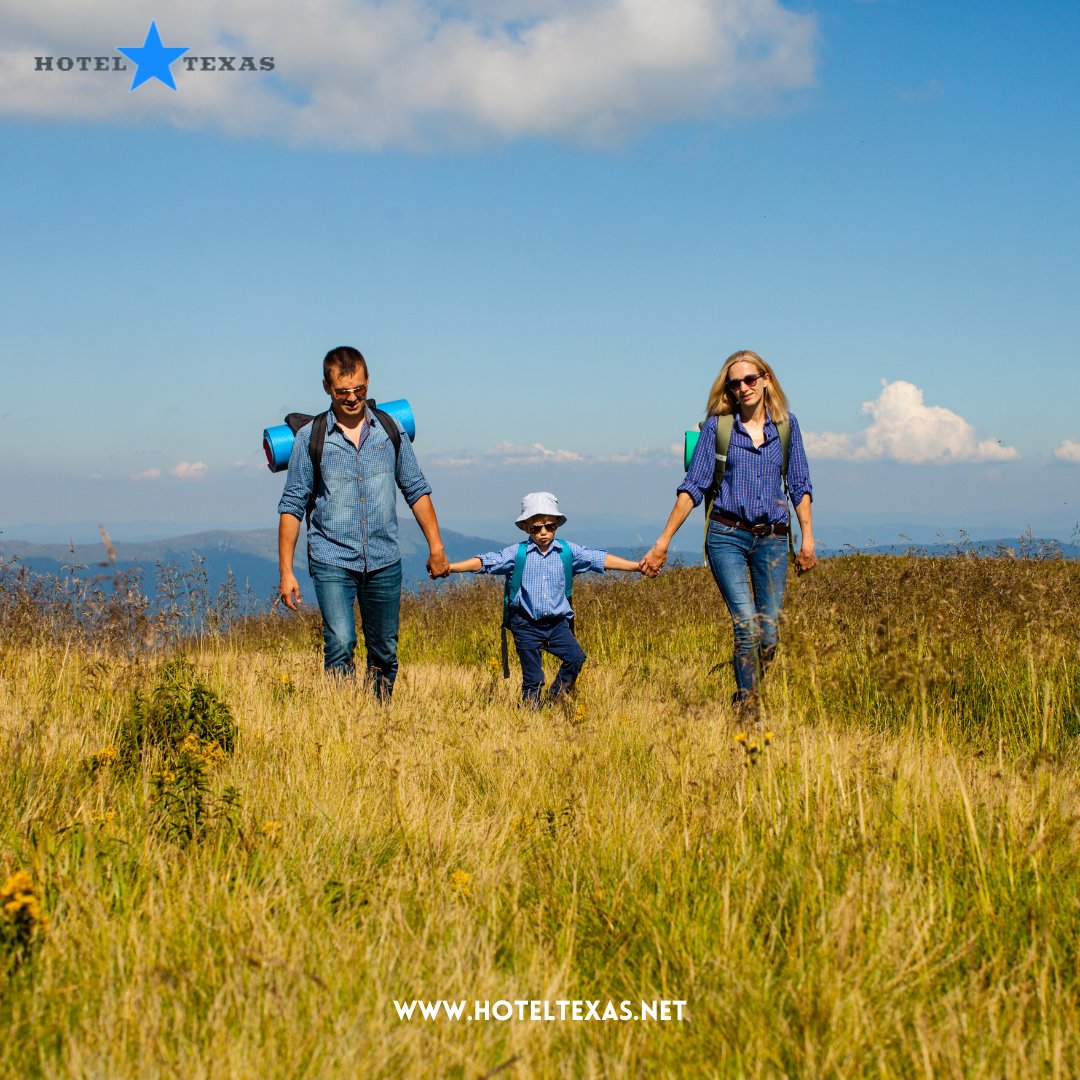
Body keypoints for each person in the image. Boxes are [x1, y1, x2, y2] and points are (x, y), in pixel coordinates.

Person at [643, 349, 815, 719]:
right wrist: (663, 541)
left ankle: (753, 691)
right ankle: (747, 706)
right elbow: (694, 486)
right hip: (727, 536)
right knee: (747, 628)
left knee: (768, 636)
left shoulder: (787, 426)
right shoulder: (717, 429)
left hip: (773, 538)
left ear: (766, 379)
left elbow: (799, 484)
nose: (743, 388)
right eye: (735, 383)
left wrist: (808, 540)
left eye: (750, 379)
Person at [277, 345, 450, 700]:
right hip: (331, 559)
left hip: (385, 558)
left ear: (368, 382)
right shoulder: (308, 439)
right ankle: (345, 720)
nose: (353, 398)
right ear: (327, 387)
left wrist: (436, 547)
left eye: (359, 390)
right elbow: (292, 506)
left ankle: (377, 718)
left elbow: (415, 488)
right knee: (340, 643)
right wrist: (286, 571)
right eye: (343, 391)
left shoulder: (391, 430)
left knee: (384, 651)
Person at [446, 492, 645, 706]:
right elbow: (486, 562)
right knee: (533, 678)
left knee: (575, 657)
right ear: (525, 528)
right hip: (525, 624)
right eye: (536, 528)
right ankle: (531, 718)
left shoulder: (567, 552)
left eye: (549, 526)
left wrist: (636, 567)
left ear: (557, 525)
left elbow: (599, 559)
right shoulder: (517, 554)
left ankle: (556, 698)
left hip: (558, 624)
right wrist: (450, 568)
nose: (543, 533)